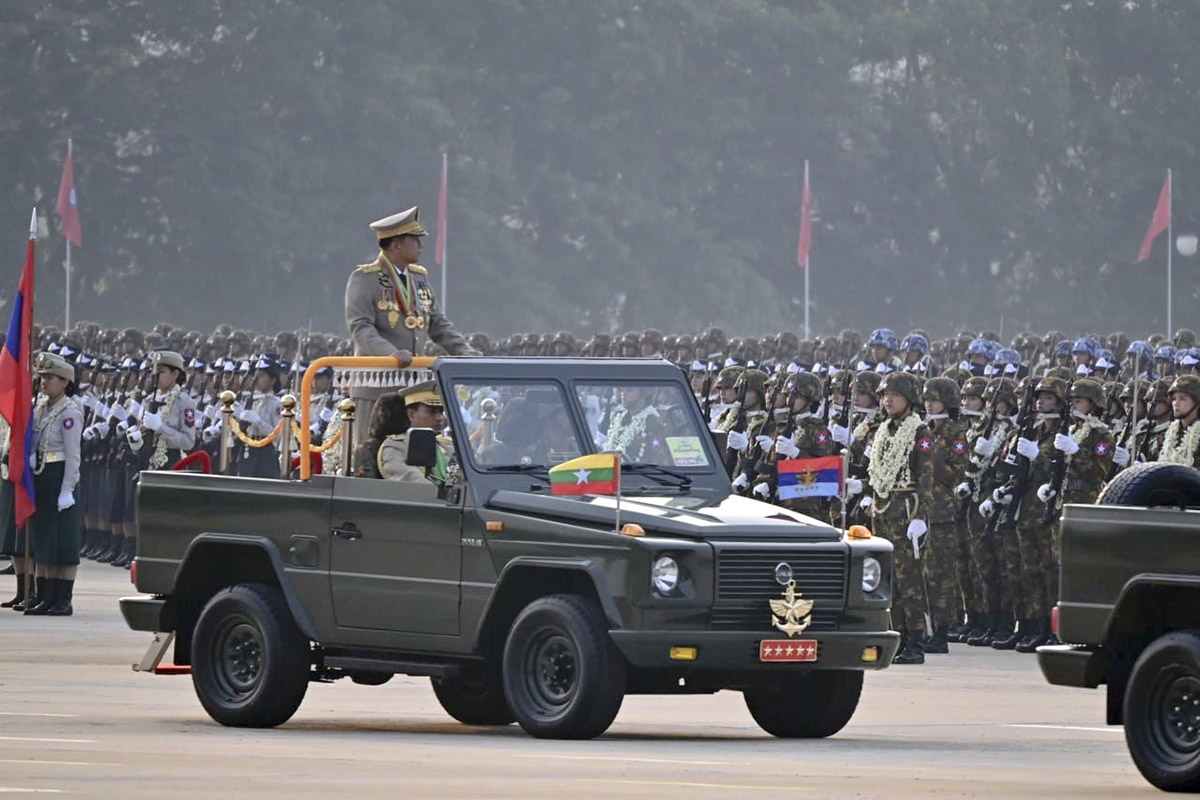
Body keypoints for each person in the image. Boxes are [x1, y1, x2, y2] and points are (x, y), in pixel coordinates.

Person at [344, 207, 478, 440]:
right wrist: (391, 353)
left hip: (413, 387)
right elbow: (360, 326)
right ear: (396, 245)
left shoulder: (418, 278)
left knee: (413, 452)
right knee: (371, 450)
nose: (421, 246)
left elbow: (437, 322)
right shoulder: (365, 278)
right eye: (415, 240)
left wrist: (464, 351)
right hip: (377, 385)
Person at [23, 353, 85, 616]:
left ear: (65, 382)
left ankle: (63, 598)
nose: (44, 382)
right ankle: (45, 595)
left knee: (64, 540)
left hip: (61, 476)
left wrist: (67, 488)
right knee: (45, 537)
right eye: (43, 377)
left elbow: (73, 454)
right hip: (43, 475)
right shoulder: (41, 408)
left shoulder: (70, 411)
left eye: (50, 378)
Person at [378, 381, 455, 483]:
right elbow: (413, 482)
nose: (439, 418)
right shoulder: (395, 447)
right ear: (411, 415)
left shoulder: (447, 446)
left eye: (441, 412)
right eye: (432, 411)